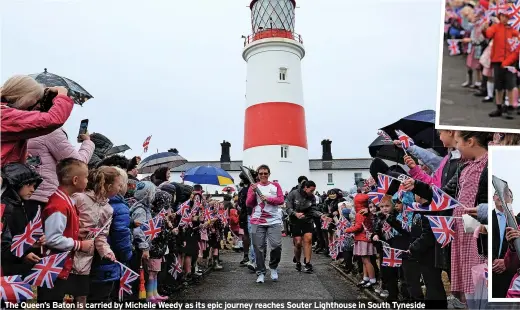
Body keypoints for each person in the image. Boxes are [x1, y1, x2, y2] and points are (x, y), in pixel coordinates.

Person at [38, 158, 94, 302]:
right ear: (75, 180)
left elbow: (61, 230)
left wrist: (76, 231)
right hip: (53, 269)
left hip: (59, 267)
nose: (88, 180)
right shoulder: (59, 205)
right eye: (86, 177)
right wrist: (80, 245)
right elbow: (53, 239)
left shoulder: (65, 200)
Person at [1, 76, 74, 166]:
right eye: (36, 98)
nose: (38, 104)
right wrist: (62, 94)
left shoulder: (5, 112)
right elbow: (53, 119)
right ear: (25, 95)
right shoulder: (6, 115)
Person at [89, 167, 133, 302]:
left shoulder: (90, 201)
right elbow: (121, 234)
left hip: (89, 259)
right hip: (110, 258)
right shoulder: (119, 207)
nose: (121, 187)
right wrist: (127, 255)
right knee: (104, 296)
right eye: (120, 184)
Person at [25, 128, 94, 212]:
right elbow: (78, 164)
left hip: (28, 192)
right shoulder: (51, 130)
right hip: (45, 197)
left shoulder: (30, 129)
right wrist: (88, 142)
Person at [1, 163, 45, 277]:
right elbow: (5, 244)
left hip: (18, 268)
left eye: (34, 185)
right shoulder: (6, 209)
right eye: (29, 184)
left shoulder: (23, 206)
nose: (33, 189)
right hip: (7, 271)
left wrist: (33, 244)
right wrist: (23, 255)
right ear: (17, 184)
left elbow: (20, 238)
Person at [246, 164, 284, 283]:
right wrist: (252, 193)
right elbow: (249, 204)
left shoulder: (275, 185)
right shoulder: (253, 186)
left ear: (269, 174)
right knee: (258, 247)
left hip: (274, 220)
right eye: (261, 173)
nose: (263, 175)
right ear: (257, 175)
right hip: (256, 221)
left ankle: (273, 267)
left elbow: (281, 200)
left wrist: (268, 199)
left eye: (265, 173)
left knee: (276, 245)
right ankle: (261, 272)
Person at [482, 10, 519, 118]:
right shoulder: (496, 27)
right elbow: (488, 34)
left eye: (507, 17)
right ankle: (499, 107)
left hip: (510, 62)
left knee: (510, 85)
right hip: (497, 60)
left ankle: (509, 107)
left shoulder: (513, 29)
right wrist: (484, 28)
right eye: (502, 16)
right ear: (500, 16)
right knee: (499, 85)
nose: (504, 18)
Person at [285, 180, 321, 273]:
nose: (312, 193)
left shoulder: (312, 197)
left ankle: (308, 263)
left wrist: (321, 215)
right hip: (295, 221)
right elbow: (288, 207)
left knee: (308, 240)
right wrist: (295, 214)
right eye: (311, 190)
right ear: (306, 188)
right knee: (298, 243)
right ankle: (298, 261)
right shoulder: (293, 194)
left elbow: (313, 209)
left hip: (307, 220)